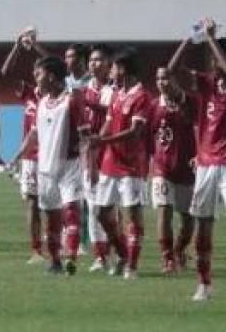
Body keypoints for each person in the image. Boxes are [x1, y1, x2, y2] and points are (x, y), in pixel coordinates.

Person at [167, 18, 226, 302]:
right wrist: (192, 38)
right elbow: (170, 72)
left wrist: (212, 39)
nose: (212, 63)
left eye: (216, 57)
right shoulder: (207, 84)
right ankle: (204, 283)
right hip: (206, 164)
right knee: (203, 224)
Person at [18, 56, 87, 275]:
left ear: (51, 76)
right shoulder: (41, 103)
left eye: (38, 74)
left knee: (71, 211)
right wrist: (19, 154)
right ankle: (56, 260)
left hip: (70, 165)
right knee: (52, 216)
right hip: (45, 168)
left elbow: (84, 135)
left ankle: (71, 256)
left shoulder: (72, 101)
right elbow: (35, 134)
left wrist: (89, 165)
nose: (35, 78)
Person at [88, 47, 151, 280]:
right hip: (109, 163)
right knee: (102, 214)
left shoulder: (142, 96)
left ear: (122, 69)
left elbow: (135, 132)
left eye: (113, 67)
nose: (110, 71)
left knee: (133, 214)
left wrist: (102, 140)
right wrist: (97, 146)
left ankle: (131, 267)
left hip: (131, 166)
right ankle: (124, 254)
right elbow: (108, 122)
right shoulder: (115, 93)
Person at [149, 67, 196, 275]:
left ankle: (179, 250)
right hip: (162, 167)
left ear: (176, 79)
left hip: (187, 169)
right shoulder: (153, 106)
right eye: (159, 78)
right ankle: (168, 258)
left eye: (166, 77)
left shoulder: (191, 102)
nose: (162, 82)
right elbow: (147, 136)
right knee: (164, 211)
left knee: (188, 219)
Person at [2, 33, 44, 264]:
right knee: (31, 201)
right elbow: (6, 72)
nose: (38, 76)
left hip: (53, 157)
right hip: (30, 158)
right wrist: (17, 46)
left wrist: (36, 47)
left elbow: (59, 66)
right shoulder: (29, 92)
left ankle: (64, 244)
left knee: (51, 204)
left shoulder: (56, 95)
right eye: (36, 73)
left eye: (42, 72)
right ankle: (37, 250)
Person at [80, 44, 114, 272]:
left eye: (99, 60)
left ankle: (117, 252)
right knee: (92, 207)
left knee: (110, 208)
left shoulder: (114, 91)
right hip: (88, 154)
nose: (94, 64)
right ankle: (100, 256)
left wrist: (83, 101)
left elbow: (108, 112)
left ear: (109, 65)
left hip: (111, 154)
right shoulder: (84, 90)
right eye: (91, 60)